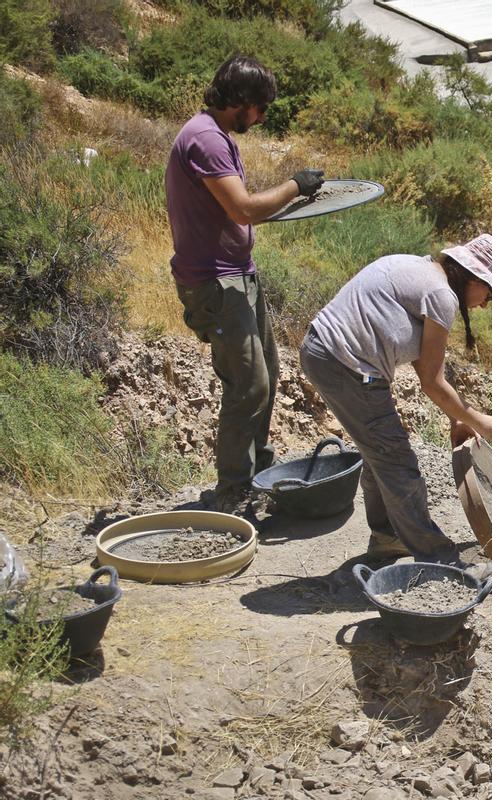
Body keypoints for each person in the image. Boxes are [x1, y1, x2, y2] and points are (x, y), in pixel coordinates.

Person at [299, 234, 492, 572]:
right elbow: (431, 382)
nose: (484, 304)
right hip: (345, 365)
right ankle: (439, 560)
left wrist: (457, 417)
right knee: (397, 463)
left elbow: (426, 363)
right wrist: (477, 420)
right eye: (488, 294)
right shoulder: (441, 294)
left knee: (379, 455)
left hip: (326, 354)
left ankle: (388, 538)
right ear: (473, 278)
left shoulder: (419, 271)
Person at [165, 55, 325, 514]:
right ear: (240, 102)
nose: (262, 117)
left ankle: (255, 475)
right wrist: (295, 185)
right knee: (249, 385)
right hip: (214, 282)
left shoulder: (216, 135)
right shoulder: (206, 140)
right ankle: (233, 492)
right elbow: (245, 209)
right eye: (260, 108)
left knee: (266, 377)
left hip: (237, 274)